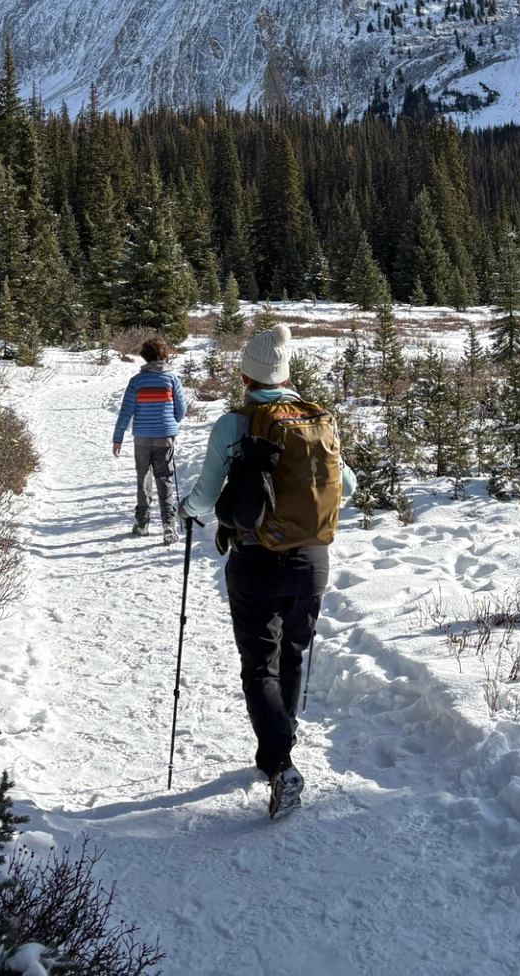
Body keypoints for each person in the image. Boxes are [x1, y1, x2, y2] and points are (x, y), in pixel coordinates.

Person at [181, 323, 355, 818]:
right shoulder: (316, 420)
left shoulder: (234, 425)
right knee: (293, 653)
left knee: (260, 664)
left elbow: (206, 494)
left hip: (255, 558)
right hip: (311, 559)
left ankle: (279, 762)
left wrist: (188, 509)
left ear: (245, 376)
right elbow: (349, 486)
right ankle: (283, 746)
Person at [113, 336, 188, 540]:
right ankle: (168, 526)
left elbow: (126, 411)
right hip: (165, 436)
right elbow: (181, 409)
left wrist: (117, 437)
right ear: (164, 355)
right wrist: (171, 421)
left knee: (143, 478)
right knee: (165, 478)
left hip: (142, 437)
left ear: (145, 357)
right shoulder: (172, 379)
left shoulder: (137, 381)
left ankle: (143, 523)